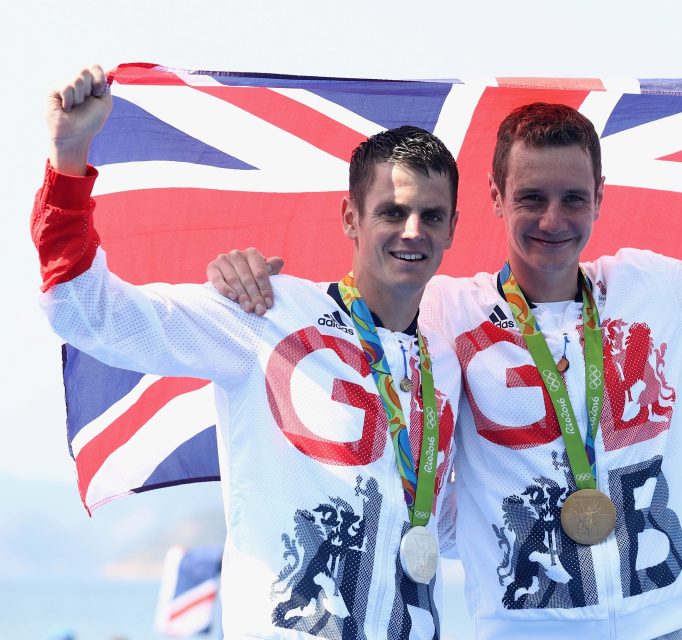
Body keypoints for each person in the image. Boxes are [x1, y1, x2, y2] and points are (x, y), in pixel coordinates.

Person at [211, 88, 682, 640]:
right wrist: (249, 277)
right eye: (531, 197)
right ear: (496, 199)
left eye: (574, 198)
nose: (553, 219)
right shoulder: (445, 314)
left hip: (662, 625)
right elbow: (353, 304)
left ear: (602, 199)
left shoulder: (653, 292)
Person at [33, 65, 463, 639]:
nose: (413, 231)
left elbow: (454, 515)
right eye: (392, 211)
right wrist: (70, 156)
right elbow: (90, 315)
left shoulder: (449, 353)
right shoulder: (264, 314)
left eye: (431, 216)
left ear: (453, 228)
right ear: (350, 218)